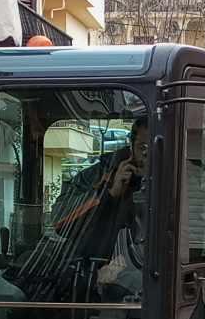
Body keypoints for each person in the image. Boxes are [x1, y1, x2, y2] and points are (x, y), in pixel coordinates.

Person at [34, 116, 150, 300]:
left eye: (154, 149)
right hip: (87, 278)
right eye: (143, 148)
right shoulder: (97, 175)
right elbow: (59, 219)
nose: (147, 156)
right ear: (131, 147)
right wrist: (108, 194)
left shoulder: (170, 183)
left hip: (141, 280)